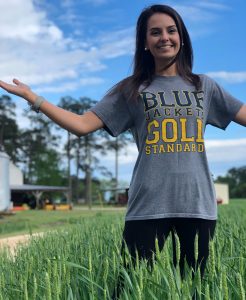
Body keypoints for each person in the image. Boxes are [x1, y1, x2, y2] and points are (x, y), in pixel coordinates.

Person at [0, 3, 245, 299]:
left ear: (182, 37)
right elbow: (81, 124)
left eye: (171, 30)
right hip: (147, 205)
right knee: (127, 289)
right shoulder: (132, 89)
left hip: (197, 204)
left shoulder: (204, 86)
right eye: (155, 32)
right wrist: (33, 98)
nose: (164, 37)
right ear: (144, 42)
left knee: (194, 291)